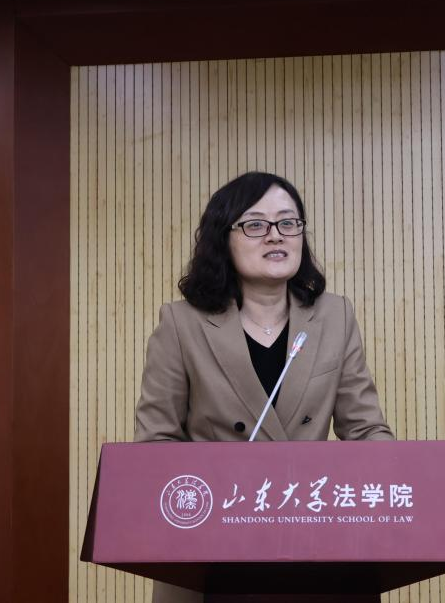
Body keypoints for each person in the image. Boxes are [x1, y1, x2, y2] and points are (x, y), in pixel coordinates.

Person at [134, 171, 393, 601]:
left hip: (317, 543)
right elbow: (155, 445)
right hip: (213, 551)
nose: (276, 235)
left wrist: (395, 482)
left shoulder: (335, 316)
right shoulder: (181, 323)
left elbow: (366, 429)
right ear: (223, 239)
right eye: (255, 224)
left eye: (288, 222)